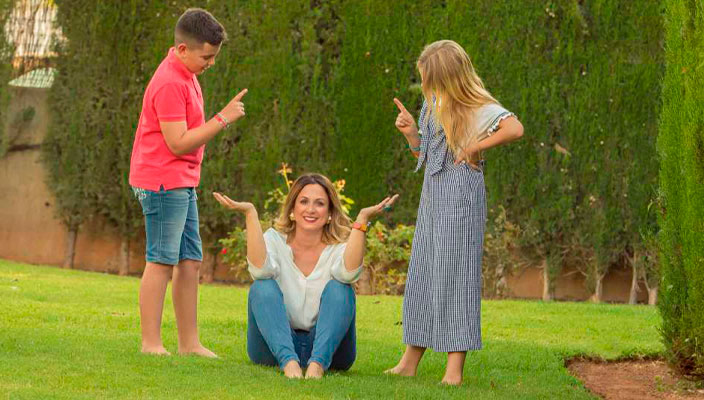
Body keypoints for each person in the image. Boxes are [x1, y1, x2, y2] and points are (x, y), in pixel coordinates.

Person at [386, 40, 524, 385]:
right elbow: (426, 155)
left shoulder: (477, 105)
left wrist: (476, 145)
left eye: (429, 79)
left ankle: (454, 371)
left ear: (449, 75)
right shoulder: (433, 103)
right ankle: (409, 361)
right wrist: (410, 135)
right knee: (423, 271)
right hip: (432, 197)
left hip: (461, 198)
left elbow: (515, 128)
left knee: (456, 276)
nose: (426, 86)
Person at [129, 8, 247, 357]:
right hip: (162, 182)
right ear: (182, 49)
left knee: (190, 260)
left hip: (181, 180)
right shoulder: (169, 82)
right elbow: (177, 142)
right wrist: (223, 118)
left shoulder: (186, 75)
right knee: (161, 260)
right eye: (206, 56)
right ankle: (151, 343)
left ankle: (189, 344)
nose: (210, 63)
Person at [212, 173, 398, 378]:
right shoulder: (274, 240)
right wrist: (250, 214)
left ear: (329, 212)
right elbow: (259, 271)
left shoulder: (338, 248)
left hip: (330, 350)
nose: (310, 209)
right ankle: (289, 364)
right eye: (303, 202)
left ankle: (317, 365)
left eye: (319, 203)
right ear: (293, 208)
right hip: (272, 348)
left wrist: (362, 219)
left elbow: (349, 274)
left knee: (341, 288)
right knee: (262, 287)